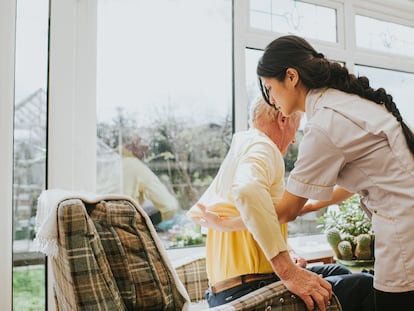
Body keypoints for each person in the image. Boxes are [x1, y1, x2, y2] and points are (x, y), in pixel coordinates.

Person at [201, 35, 414, 310]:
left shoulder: (324, 122)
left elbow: (286, 208)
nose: (272, 99)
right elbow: (342, 190)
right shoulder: (343, 104)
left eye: (270, 88)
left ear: (291, 77)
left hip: (403, 235)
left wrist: (229, 223)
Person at [188, 98, 374, 311]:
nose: (295, 139)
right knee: (365, 285)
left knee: (338, 272)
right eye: (297, 126)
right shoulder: (263, 147)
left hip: (228, 291)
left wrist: (362, 180)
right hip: (247, 291)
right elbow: (247, 191)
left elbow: (283, 210)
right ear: (283, 118)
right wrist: (288, 270)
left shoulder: (243, 146)